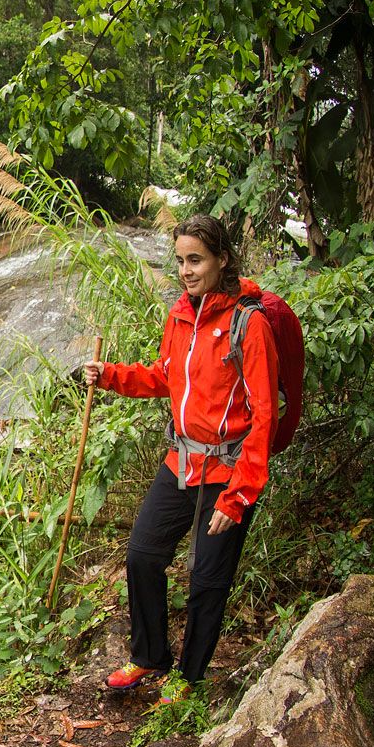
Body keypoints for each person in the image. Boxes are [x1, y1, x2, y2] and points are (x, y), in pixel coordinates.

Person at [84, 213, 280, 705]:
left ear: (222, 260)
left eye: (196, 260)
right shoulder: (181, 316)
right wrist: (110, 375)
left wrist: (237, 498)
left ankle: (189, 677)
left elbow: (264, 417)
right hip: (182, 462)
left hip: (230, 471)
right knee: (142, 555)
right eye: (180, 261)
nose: (186, 271)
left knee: (207, 579)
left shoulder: (248, 324)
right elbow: (164, 377)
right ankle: (150, 655)